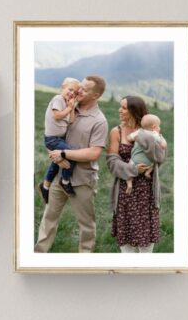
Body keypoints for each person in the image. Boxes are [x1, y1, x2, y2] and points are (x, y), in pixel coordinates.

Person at [34, 75, 109, 254]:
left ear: (95, 95)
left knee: (86, 225)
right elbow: (52, 136)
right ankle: (38, 255)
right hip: (59, 175)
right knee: (48, 218)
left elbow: (94, 153)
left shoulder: (99, 120)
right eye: (79, 87)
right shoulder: (67, 106)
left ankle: (84, 262)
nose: (78, 91)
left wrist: (63, 153)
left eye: (84, 89)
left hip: (83, 180)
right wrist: (56, 156)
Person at [107, 95, 161, 253]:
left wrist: (146, 140)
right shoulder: (116, 132)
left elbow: (160, 157)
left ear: (134, 111)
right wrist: (134, 170)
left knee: (146, 249)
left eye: (123, 108)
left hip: (147, 192)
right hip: (125, 193)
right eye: (120, 106)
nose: (120, 110)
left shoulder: (149, 131)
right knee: (127, 249)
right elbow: (112, 163)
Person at [40, 77, 82, 201]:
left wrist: (72, 107)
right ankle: (65, 181)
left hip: (58, 139)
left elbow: (71, 121)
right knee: (71, 154)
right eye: (70, 89)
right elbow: (57, 116)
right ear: (62, 88)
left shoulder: (66, 103)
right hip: (53, 139)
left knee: (56, 163)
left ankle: (45, 186)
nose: (72, 93)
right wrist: (69, 108)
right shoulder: (58, 99)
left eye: (75, 92)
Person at [124, 113, 166, 194]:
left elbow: (128, 138)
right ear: (154, 127)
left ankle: (129, 183)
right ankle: (148, 172)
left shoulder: (139, 132)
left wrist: (135, 139)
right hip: (148, 162)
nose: (159, 128)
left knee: (129, 169)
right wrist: (162, 138)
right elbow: (163, 146)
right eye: (159, 126)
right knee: (155, 161)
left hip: (135, 160)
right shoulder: (156, 135)